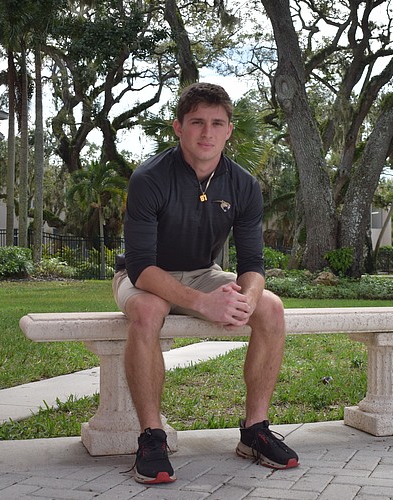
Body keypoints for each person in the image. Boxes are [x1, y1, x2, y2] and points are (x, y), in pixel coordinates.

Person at [113, 82, 298, 484]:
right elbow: (142, 266)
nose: (206, 133)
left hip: (202, 271)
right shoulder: (150, 178)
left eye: (217, 123)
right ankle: (151, 436)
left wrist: (247, 299)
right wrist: (205, 303)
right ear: (178, 127)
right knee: (146, 310)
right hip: (145, 276)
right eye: (197, 122)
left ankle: (255, 431)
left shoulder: (244, 185)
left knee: (270, 305)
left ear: (230, 130)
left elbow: (252, 264)